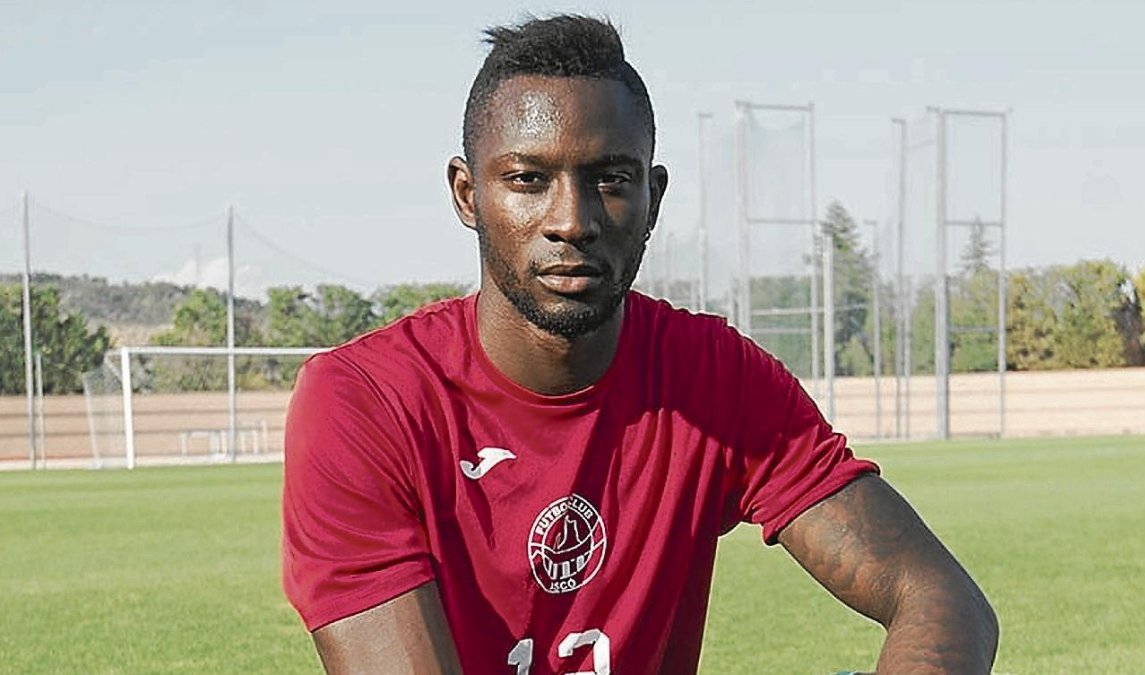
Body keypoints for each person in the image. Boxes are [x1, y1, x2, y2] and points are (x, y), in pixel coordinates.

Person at [282, 14, 998, 675]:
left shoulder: (714, 377)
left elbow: (941, 598)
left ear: (652, 198)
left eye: (610, 179)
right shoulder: (364, 402)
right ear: (468, 194)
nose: (572, 220)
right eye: (528, 179)